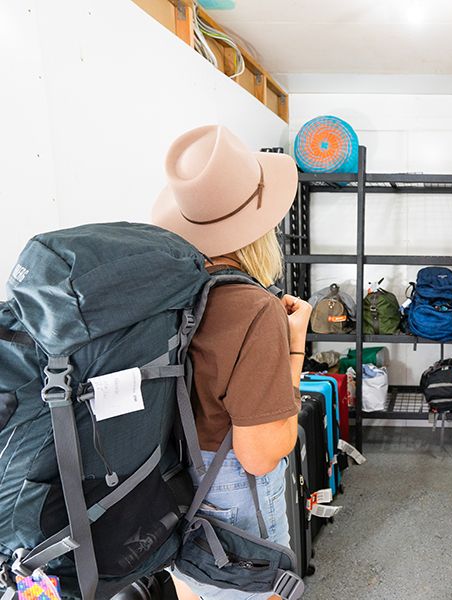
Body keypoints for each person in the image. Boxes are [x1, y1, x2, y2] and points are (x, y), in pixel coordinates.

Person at [151, 125, 308, 599]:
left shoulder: (167, 291)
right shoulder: (254, 307)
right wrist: (293, 346)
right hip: (230, 490)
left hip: (170, 480)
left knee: (196, 588)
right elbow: (260, 454)